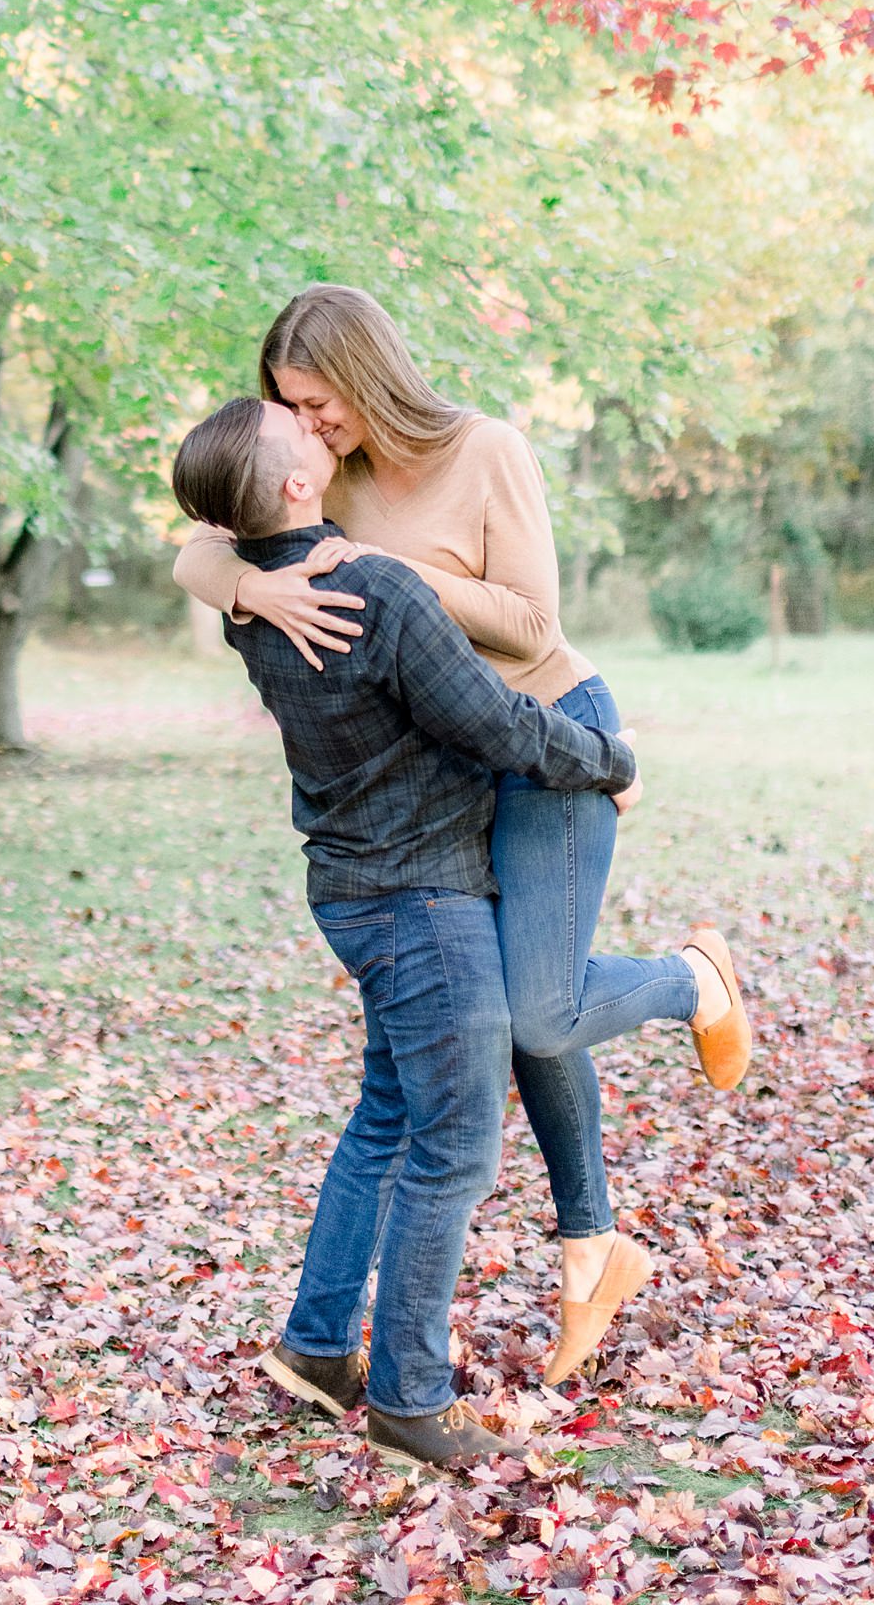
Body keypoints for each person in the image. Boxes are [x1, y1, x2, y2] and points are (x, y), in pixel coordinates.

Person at [175, 285, 750, 1380]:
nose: (307, 420)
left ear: (365, 374)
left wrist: (393, 578)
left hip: (543, 728)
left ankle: (692, 979)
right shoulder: (315, 469)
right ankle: (590, 1247)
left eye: (315, 398)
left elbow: (534, 623)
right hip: (446, 763)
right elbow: (195, 550)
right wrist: (258, 585)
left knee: (539, 1010)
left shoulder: (484, 452)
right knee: (506, 1014)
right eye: (289, 406)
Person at [171, 395, 643, 1470]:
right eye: (291, 426)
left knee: (390, 1112)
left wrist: (236, 574)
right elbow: (491, 721)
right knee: (453, 1148)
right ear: (297, 485)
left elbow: (211, 555)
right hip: (424, 902)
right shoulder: (371, 588)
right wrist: (607, 759)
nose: (308, 424)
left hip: (351, 890)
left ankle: (318, 1348)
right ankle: (409, 1400)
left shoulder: (259, 602)